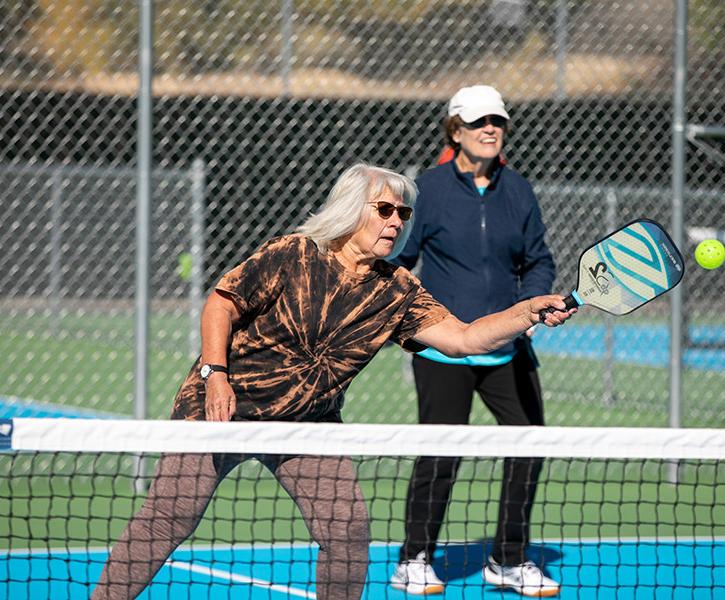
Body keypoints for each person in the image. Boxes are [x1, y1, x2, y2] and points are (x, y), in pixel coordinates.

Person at [90, 163, 574, 600]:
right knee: (168, 518)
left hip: (308, 423)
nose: (396, 221)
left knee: (346, 529)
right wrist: (215, 374)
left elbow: (464, 339)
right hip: (224, 406)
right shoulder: (295, 254)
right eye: (384, 209)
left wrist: (525, 310)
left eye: (403, 213)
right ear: (350, 210)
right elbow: (222, 302)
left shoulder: (398, 290)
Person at [390, 85, 560, 597]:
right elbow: (398, 262)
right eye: (479, 121)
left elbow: (539, 260)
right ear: (455, 130)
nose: (491, 129)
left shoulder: (519, 190)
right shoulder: (429, 189)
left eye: (498, 121)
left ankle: (508, 560)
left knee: (528, 447)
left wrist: (531, 306)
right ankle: (414, 558)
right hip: (444, 347)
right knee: (441, 453)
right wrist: (406, 322)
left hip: (508, 347)